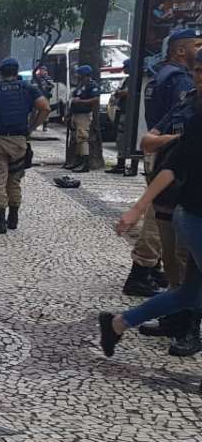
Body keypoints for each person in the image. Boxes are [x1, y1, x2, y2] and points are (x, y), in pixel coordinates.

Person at [100, 84, 202, 359]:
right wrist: (138, 209)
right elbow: (172, 167)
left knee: (188, 294)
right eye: (198, 72)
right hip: (195, 219)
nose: (199, 79)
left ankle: (117, 324)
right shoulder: (196, 120)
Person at [126, 56, 202, 356]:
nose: (200, 76)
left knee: (189, 270)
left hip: (194, 203)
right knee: (173, 265)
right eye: (197, 70)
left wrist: (174, 143)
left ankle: (190, 329)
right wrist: (180, 140)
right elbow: (148, 140)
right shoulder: (187, 103)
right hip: (173, 200)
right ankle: (174, 319)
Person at [0, 58, 51, 234]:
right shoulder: (28, 88)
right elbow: (45, 108)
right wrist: (31, 128)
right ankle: (13, 219)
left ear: (1, 72)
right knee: (14, 180)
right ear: (16, 71)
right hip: (19, 141)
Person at [66, 65, 100, 173]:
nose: (77, 76)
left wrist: (81, 102)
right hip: (76, 114)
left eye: (79, 74)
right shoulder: (80, 85)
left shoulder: (92, 85)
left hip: (84, 115)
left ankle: (85, 163)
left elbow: (95, 99)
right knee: (77, 138)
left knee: (82, 137)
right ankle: (78, 160)